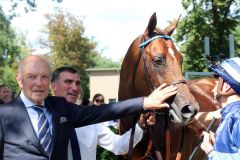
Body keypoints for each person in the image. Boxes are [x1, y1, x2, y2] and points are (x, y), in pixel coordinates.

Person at [0, 55, 178, 160]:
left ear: (48, 81)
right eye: (32, 76)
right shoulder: (4, 115)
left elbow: (106, 117)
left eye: (43, 77)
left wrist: (143, 108)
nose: (74, 87)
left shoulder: (69, 112)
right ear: (19, 79)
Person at [51, 66, 153, 160]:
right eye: (68, 82)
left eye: (77, 83)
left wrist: (141, 124)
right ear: (53, 85)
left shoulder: (90, 118)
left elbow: (118, 146)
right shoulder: (42, 117)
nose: (75, 88)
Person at [198, 57, 240, 160]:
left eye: (217, 81)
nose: (212, 89)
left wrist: (209, 150)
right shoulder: (230, 115)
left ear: (226, 86)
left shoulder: (236, 117)